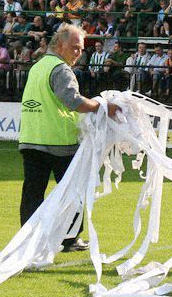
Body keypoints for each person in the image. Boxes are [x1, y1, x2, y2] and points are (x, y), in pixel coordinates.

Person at [18, 24, 122, 241]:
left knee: (32, 192)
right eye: (75, 47)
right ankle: (70, 237)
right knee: (72, 191)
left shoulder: (38, 66)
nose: (78, 53)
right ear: (59, 44)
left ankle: (27, 237)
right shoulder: (61, 69)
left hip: (31, 137)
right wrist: (102, 106)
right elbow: (73, 101)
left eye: (81, 49)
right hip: (59, 141)